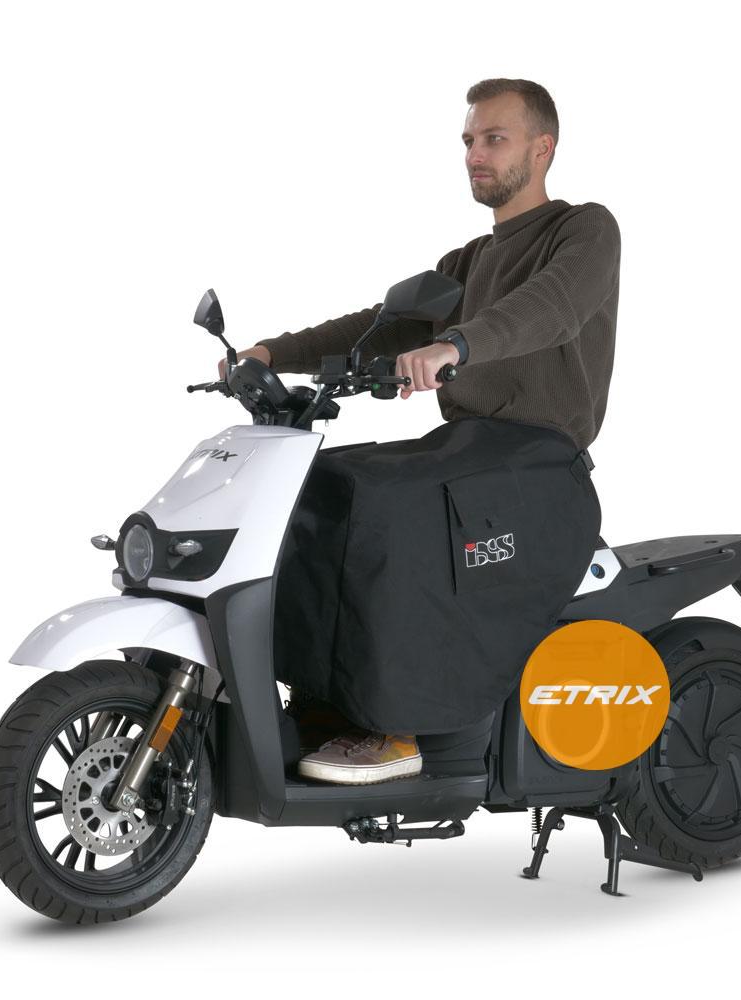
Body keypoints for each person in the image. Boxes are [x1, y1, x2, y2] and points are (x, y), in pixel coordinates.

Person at [219, 78, 621, 785]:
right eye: (468, 140)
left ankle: (394, 726)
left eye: (494, 138)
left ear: (543, 147)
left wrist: (456, 346)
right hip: (472, 455)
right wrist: (272, 353)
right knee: (324, 483)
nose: (475, 154)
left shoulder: (583, 230)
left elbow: (549, 307)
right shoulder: (467, 262)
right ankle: (326, 703)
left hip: (538, 461)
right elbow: (382, 326)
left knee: (389, 506)